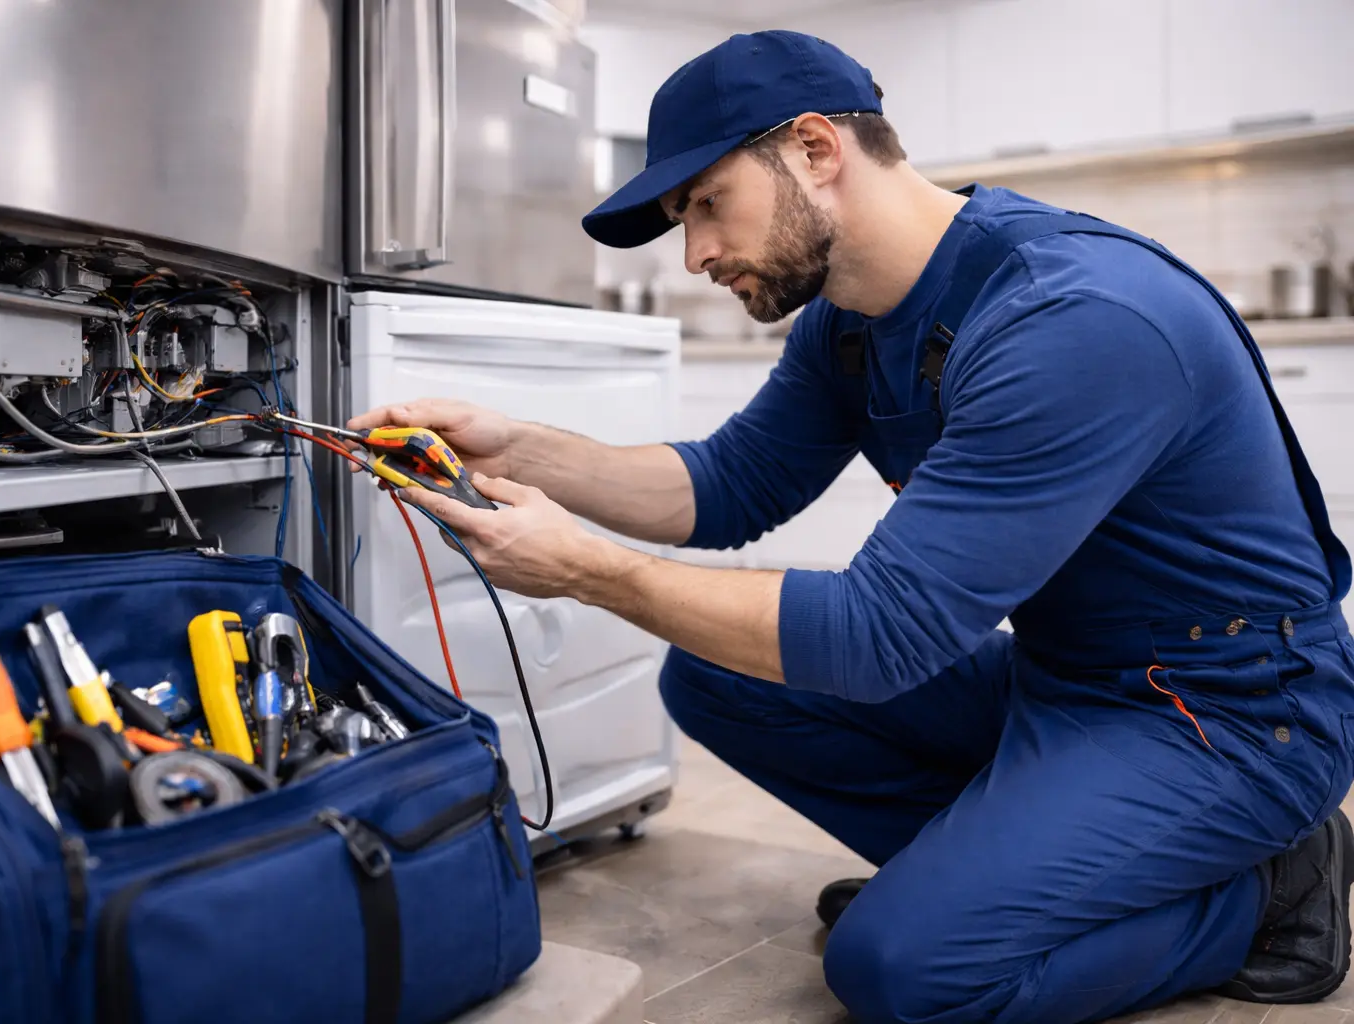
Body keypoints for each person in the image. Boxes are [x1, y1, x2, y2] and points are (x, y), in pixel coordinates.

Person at [349, 29, 1354, 1024]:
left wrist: (587, 571)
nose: (694, 251)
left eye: (707, 204)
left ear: (817, 150)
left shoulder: (1075, 317)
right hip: (1065, 684)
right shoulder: (849, 319)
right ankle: (998, 881)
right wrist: (513, 447)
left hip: (1225, 713)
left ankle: (1269, 888)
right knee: (713, 671)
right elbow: (728, 485)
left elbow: (880, 637)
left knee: (903, 971)